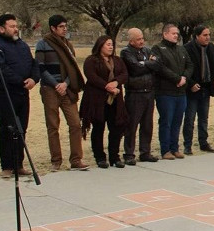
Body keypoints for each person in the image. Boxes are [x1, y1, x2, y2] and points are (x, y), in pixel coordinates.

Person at [0, 14, 40, 178]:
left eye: (16, 26)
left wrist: (33, 79)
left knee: (21, 129)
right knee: (7, 129)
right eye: (12, 26)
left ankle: (18, 165)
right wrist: (20, 81)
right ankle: (7, 166)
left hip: (23, 93)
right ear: (1, 28)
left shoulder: (21, 44)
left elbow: (34, 63)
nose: (16, 29)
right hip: (5, 94)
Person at [35, 15, 90, 171]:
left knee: (75, 124)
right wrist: (55, 84)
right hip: (50, 89)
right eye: (61, 26)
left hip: (66, 89)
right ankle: (56, 160)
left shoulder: (68, 45)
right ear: (53, 28)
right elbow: (40, 67)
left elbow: (72, 68)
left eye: (66, 26)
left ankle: (76, 159)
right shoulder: (43, 44)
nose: (65, 29)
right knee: (53, 125)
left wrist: (65, 84)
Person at [79, 36, 129, 169]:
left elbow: (124, 74)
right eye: (108, 44)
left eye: (112, 44)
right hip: (97, 100)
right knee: (98, 128)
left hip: (115, 100)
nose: (111, 47)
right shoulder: (92, 60)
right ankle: (100, 157)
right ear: (100, 45)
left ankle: (114, 157)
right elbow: (91, 76)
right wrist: (107, 86)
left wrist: (116, 83)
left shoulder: (117, 60)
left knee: (116, 128)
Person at [151, 24, 193, 160]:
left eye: (177, 33)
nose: (176, 35)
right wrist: (176, 78)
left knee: (177, 121)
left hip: (181, 93)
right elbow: (160, 67)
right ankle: (165, 150)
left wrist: (184, 77)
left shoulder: (181, 49)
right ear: (165, 34)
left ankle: (175, 148)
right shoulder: (158, 49)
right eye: (173, 33)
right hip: (165, 92)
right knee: (166, 121)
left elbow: (190, 65)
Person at [120, 28, 159, 164]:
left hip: (149, 92)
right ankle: (129, 153)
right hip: (135, 93)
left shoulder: (147, 51)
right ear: (131, 41)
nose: (141, 41)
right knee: (132, 124)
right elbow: (135, 69)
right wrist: (146, 64)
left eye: (142, 38)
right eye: (138, 39)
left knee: (147, 124)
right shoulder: (126, 52)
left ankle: (145, 152)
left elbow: (156, 64)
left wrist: (145, 64)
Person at [183, 25, 214, 155]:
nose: (208, 37)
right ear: (197, 36)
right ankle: (187, 145)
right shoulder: (187, 49)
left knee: (203, 118)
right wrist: (191, 84)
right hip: (193, 89)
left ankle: (203, 142)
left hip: (206, 88)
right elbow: (185, 69)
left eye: (209, 34)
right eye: (204, 35)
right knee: (190, 118)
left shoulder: (211, 48)